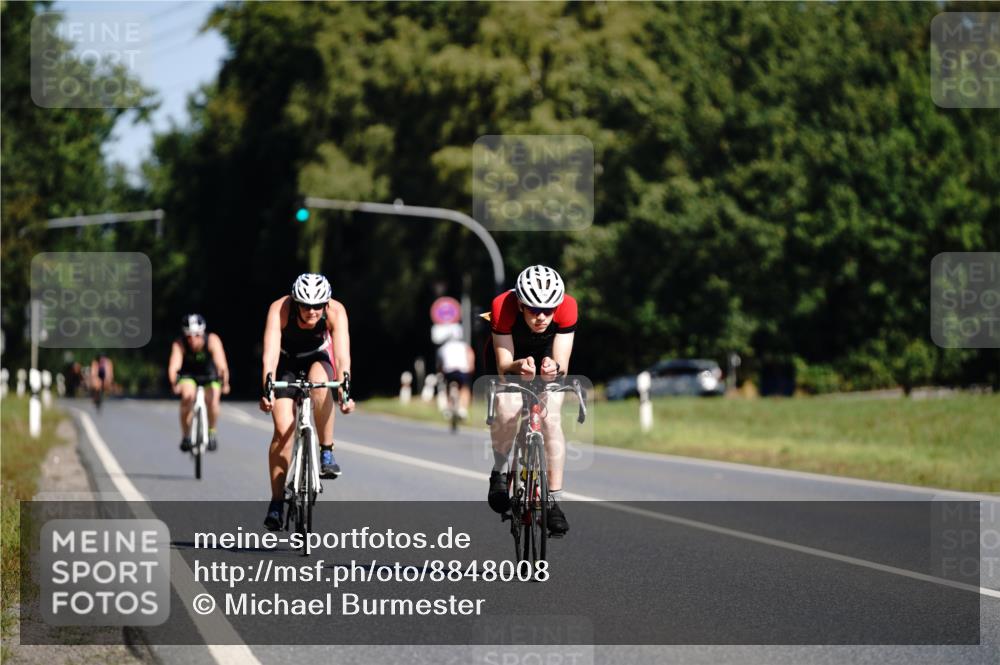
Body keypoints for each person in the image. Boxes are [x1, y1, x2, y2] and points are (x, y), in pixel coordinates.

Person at [259, 273, 355, 531]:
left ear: (326, 303)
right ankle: (277, 502)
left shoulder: (335, 311)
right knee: (282, 430)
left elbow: (342, 355)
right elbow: (269, 355)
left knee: (321, 385)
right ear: (296, 301)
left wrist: (345, 391)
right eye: (305, 305)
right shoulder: (280, 309)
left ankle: (326, 450)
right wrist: (267, 388)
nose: (312, 311)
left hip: (318, 358)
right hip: (286, 361)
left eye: (317, 305)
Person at [486, 265, 577, 536]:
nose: (541, 317)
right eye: (534, 309)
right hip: (511, 356)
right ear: (521, 304)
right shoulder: (502, 306)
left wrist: (553, 368)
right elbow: (503, 365)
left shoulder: (568, 307)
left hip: (546, 354)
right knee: (507, 405)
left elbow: (563, 363)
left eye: (548, 310)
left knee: (551, 418)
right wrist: (520, 366)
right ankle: (500, 471)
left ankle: (553, 502)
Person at [168, 314, 231, 452]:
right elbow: (174, 366)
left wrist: (225, 382)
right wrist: (174, 383)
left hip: (209, 375)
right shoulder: (180, 343)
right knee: (187, 397)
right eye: (188, 336)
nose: (192, 340)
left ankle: (212, 432)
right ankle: (186, 436)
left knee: (213, 400)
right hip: (189, 376)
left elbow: (222, 365)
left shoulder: (212, 340)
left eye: (196, 335)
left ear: (202, 333)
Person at [436, 329, 475, 420]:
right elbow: (471, 357)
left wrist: (441, 372)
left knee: (447, 387)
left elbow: (440, 364)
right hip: (463, 370)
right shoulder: (465, 346)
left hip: (449, 371)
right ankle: (463, 409)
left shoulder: (443, 348)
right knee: (465, 388)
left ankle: (449, 407)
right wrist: (471, 368)